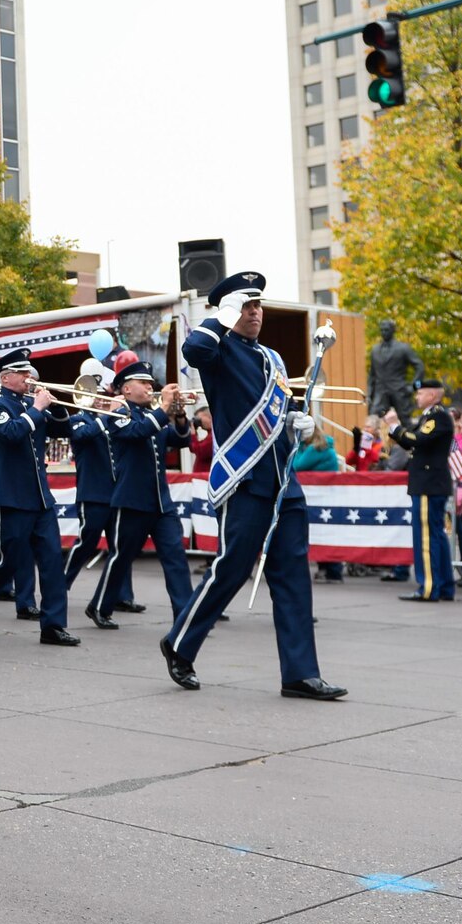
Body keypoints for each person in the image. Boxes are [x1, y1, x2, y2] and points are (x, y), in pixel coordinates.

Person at [159, 271, 344, 699]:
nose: (256, 312)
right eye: (247, 305)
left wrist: (297, 421)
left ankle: (300, 672)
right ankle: (180, 643)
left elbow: (278, 410)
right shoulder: (218, 348)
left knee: (293, 575)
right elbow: (193, 349)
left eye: (258, 305)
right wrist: (217, 318)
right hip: (245, 478)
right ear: (228, 311)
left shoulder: (273, 358)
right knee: (232, 569)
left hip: (283, 480)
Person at [0, 347, 82, 648]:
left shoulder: (32, 403)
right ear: (6, 377)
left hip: (40, 496)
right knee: (8, 561)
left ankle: (53, 626)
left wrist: (54, 405)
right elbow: (13, 432)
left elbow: (63, 430)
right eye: (23, 373)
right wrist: (38, 408)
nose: (29, 378)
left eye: (29, 372)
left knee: (53, 561)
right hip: (10, 496)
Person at [89, 363, 196, 624]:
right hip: (131, 500)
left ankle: (186, 617)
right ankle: (100, 606)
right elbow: (138, 432)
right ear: (126, 388)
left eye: (151, 383)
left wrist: (180, 415)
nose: (151, 387)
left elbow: (180, 440)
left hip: (161, 502)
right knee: (121, 557)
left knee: (176, 559)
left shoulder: (153, 415)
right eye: (143, 382)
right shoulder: (118, 414)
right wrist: (164, 408)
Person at [385, 377, 457, 602]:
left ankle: (428, 587)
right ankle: (444, 586)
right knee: (435, 535)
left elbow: (419, 440)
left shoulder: (438, 416)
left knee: (426, 537)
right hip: (428, 482)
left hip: (429, 483)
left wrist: (396, 426)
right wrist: (394, 429)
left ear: (433, 395)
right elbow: (410, 442)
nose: (417, 396)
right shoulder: (430, 416)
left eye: (421, 393)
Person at [60, 396, 118, 592]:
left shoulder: (111, 420)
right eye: (95, 394)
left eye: (103, 394)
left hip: (117, 493)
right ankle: (60, 585)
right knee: (87, 542)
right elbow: (83, 435)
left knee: (119, 548)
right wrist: (108, 415)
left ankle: (121, 595)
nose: (101, 399)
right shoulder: (78, 420)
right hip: (93, 492)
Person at [289, 418, 344, 584]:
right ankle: (327, 568)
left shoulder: (317, 448)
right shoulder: (316, 447)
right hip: (322, 497)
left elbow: (297, 464)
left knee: (324, 532)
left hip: (323, 496)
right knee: (322, 532)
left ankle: (333, 570)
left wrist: (295, 446)